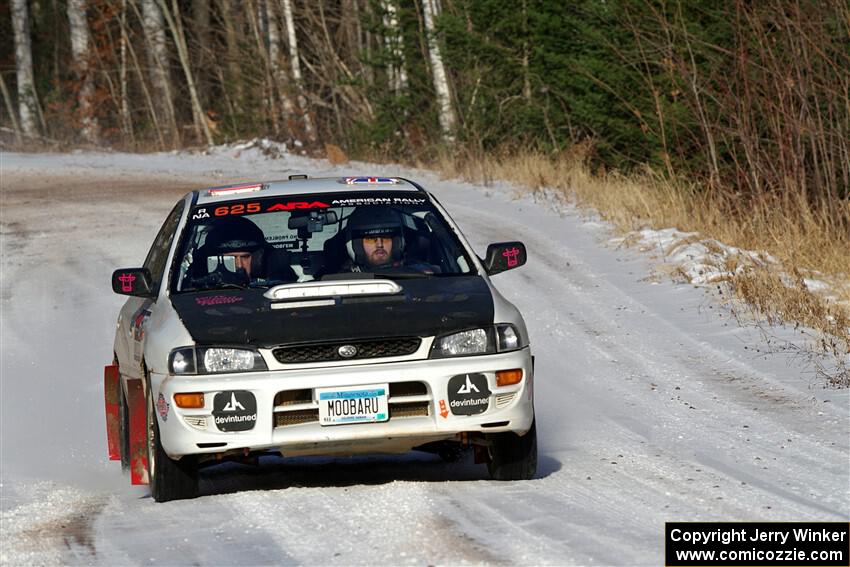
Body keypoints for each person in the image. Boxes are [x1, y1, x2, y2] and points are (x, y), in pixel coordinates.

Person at [189, 216, 295, 287]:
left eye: (245, 257)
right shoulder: (197, 284)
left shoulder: (279, 284)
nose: (239, 265)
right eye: (231, 258)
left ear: (259, 258)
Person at [342, 206, 438, 274]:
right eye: (371, 239)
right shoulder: (341, 282)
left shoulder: (419, 273)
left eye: (386, 238)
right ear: (357, 246)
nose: (380, 244)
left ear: (397, 243)